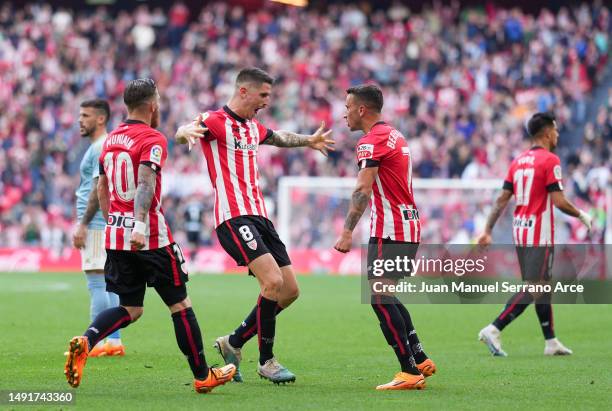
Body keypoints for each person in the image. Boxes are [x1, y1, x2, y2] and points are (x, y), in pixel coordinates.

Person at [64, 78, 235, 393]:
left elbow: (100, 188)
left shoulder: (111, 139)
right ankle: (202, 376)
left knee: (131, 308)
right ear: (152, 105)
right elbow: (145, 183)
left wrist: (116, 222)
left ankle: (86, 341)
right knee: (180, 305)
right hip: (150, 238)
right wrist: (139, 224)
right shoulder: (153, 138)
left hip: (115, 237)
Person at [175, 67, 334, 384]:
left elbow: (278, 138)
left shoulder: (252, 128)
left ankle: (232, 342)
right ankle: (267, 361)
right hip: (233, 217)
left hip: (261, 217)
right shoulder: (215, 121)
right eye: (263, 95)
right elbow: (184, 130)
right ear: (244, 91)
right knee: (272, 282)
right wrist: (184, 134)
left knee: (289, 291)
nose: (266, 101)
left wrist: (308, 140)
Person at [334, 84, 435, 390]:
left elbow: (363, 189)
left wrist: (348, 230)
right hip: (408, 226)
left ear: (362, 109)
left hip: (389, 229)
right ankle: (418, 356)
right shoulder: (395, 134)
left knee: (378, 297)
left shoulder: (371, 141)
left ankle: (408, 371)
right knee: (386, 293)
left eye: (348, 107)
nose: (344, 114)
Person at [477, 112, 592, 356]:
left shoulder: (517, 161)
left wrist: (487, 230)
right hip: (539, 232)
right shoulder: (550, 161)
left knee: (541, 286)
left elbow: (501, 200)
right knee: (536, 287)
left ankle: (550, 341)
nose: (558, 134)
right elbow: (559, 202)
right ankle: (494, 328)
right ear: (548, 132)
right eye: (556, 130)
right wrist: (581, 214)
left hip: (521, 231)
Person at [72, 99, 125, 357]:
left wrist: (83, 224)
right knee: (108, 284)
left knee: (96, 282)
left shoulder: (99, 146)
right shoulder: (106, 144)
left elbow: (97, 188)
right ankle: (113, 341)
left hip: (95, 223)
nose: (80, 120)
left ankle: (93, 341)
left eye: (85, 115)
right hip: (104, 222)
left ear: (101, 119)